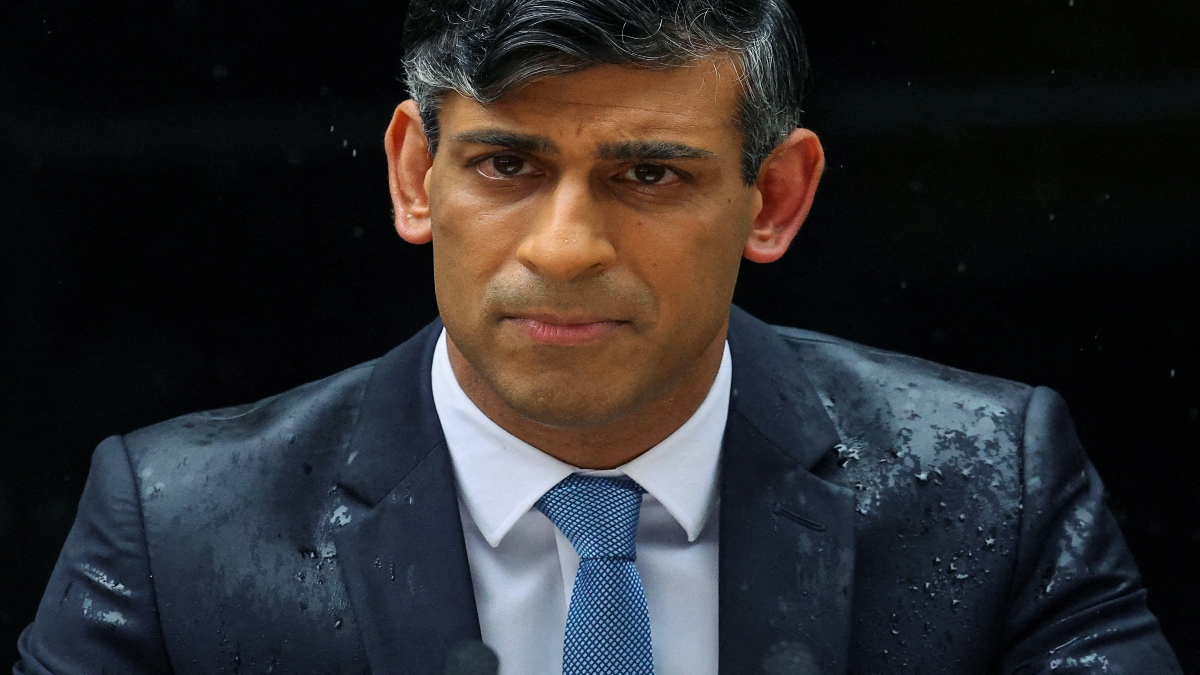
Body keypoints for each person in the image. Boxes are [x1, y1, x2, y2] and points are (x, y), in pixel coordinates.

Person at [14, 1, 1184, 673]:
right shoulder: (178, 526)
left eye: (648, 173)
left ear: (774, 199)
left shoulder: (988, 490)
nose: (566, 246)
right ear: (417, 178)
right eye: (507, 164)